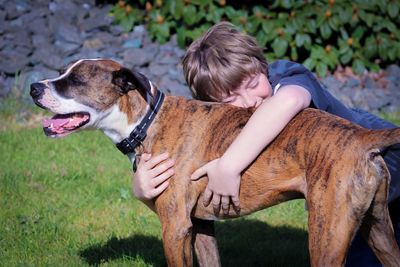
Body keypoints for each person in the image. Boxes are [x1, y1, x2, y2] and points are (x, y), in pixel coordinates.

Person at [132, 22, 400, 266]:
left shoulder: (287, 77)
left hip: (383, 153)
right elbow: (184, 175)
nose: (249, 101)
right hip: (349, 175)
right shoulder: (223, 124)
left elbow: (287, 103)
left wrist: (228, 166)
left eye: (253, 84)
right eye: (229, 100)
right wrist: (143, 190)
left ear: (263, 66)